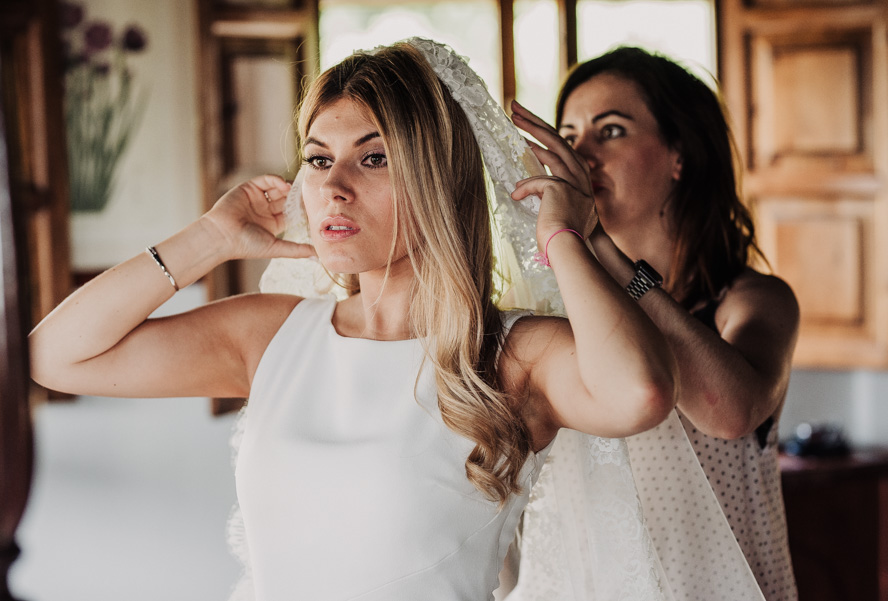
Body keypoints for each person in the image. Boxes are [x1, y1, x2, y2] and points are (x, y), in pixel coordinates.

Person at [29, 39, 679, 600]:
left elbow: (640, 394)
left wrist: (564, 233)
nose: (334, 186)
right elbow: (52, 355)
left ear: (437, 179)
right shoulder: (273, 334)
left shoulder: (514, 354)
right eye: (317, 159)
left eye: (373, 158)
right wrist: (209, 238)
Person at [508, 46, 800, 600]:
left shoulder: (751, 302)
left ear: (679, 155)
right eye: (568, 133)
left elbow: (731, 412)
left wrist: (597, 246)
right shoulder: (557, 318)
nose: (580, 153)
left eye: (610, 131)